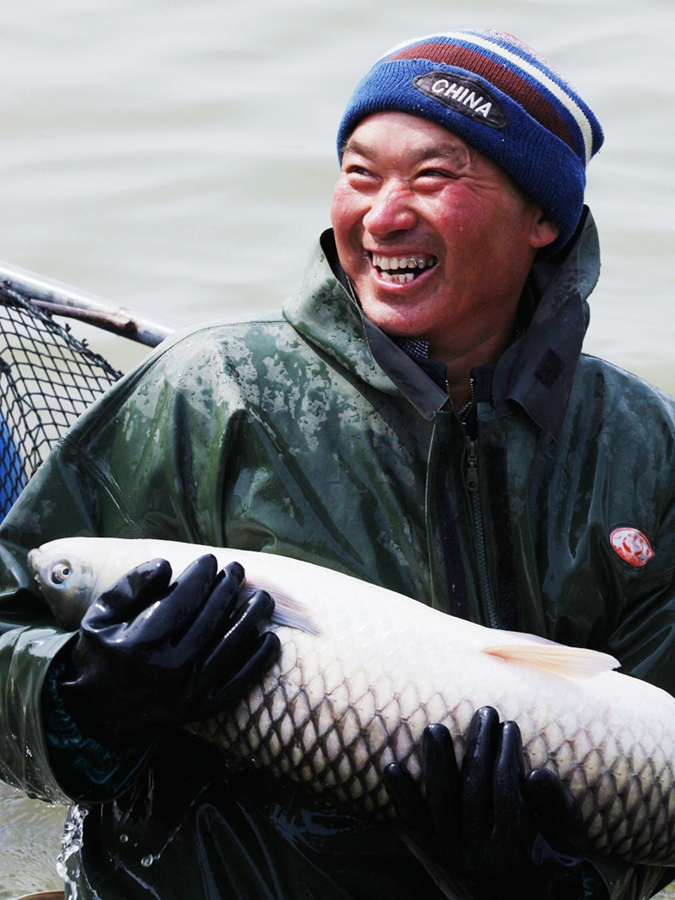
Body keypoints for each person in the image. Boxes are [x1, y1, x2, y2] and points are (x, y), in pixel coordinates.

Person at [0, 28, 672, 900]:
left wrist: (548, 888)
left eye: (434, 175)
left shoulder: (645, 449)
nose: (382, 214)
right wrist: (84, 701)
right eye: (359, 173)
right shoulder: (207, 393)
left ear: (542, 216)